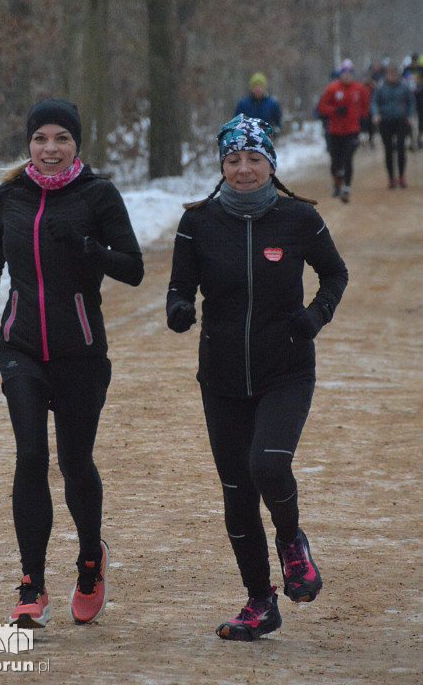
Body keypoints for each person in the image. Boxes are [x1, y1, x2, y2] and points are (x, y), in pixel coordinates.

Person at [166, 115, 348, 642]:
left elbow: (335, 273)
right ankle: (259, 602)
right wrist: (179, 308)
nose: (243, 169)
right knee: (236, 490)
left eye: (254, 159)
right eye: (232, 160)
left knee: (267, 464)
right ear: (221, 165)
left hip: (285, 369)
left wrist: (315, 317)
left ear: (271, 163)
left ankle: (292, 541)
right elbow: (180, 286)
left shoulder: (298, 219)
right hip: (221, 376)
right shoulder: (197, 222)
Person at [0, 98, 144, 628]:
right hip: (20, 347)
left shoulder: (99, 193)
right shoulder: (11, 193)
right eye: (41, 139)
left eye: (61, 139)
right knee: (30, 457)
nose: (50, 149)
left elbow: (133, 268)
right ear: (29, 144)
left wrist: (92, 248)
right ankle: (31, 585)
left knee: (74, 463)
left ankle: (90, 560)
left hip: (80, 352)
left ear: (76, 145)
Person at [317, 59, 369, 203]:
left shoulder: (359, 89)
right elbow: (321, 107)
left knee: (348, 159)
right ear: (340, 75)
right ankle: (337, 184)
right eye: (343, 74)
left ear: (352, 75)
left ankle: (346, 188)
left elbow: (365, 107)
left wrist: (364, 125)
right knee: (336, 161)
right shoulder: (332, 88)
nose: (346, 76)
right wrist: (335, 110)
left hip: (352, 130)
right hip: (334, 131)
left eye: (349, 74)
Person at [371, 64, 416, 188]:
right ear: (387, 75)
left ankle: (401, 176)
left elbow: (411, 102)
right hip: (385, 121)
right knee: (388, 150)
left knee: (401, 149)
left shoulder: (403, 86)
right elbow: (374, 102)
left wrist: (410, 115)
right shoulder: (380, 87)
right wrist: (376, 114)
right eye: (390, 75)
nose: (393, 77)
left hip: (401, 120)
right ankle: (391, 178)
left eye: (395, 75)